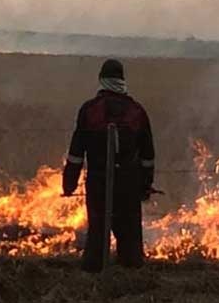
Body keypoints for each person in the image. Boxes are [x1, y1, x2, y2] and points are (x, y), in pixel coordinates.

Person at [62, 58, 156, 272]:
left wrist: (69, 184)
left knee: (98, 231)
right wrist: (145, 185)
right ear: (122, 80)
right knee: (129, 234)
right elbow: (148, 155)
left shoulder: (89, 110)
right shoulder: (136, 111)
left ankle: (94, 275)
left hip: (98, 181)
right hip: (128, 183)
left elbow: (76, 153)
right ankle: (131, 275)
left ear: (101, 80)